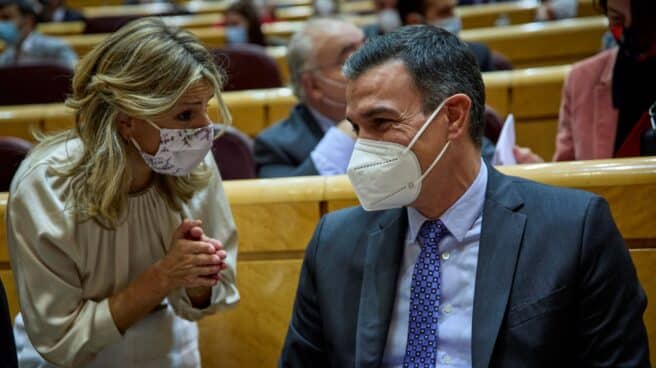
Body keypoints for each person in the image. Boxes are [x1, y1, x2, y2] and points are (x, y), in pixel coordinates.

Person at [279, 25, 649, 367]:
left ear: (453, 117)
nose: (363, 148)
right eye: (357, 127)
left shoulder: (573, 230)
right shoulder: (335, 242)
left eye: (382, 123)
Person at [7, 17, 239, 367]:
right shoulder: (46, 186)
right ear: (126, 119)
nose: (205, 129)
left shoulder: (194, 163)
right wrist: (163, 277)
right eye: (185, 114)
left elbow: (212, 297)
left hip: (168, 348)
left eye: (205, 108)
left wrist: (198, 277)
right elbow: (59, 340)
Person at [254, 18, 363, 178]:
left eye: (368, 52)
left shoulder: (403, 118)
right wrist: (344, 137)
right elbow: (288, 201)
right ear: (313, 85)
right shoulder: (275, 146)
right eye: (350, 60)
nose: (371, 67)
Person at [553, 0, 656, 160]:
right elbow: (564, 171)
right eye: (617, 19)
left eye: (641, 21)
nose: (629, 29)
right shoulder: (581, 80)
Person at [397, 0, 499, 72]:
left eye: (453, 9)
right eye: (444, 12)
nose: (454, 18)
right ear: (414, 21)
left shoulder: (479, 55)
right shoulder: (395, 68)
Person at [0, 0, 77, 68]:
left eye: (6, 17)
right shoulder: (6, 58)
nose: (1, 24)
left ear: (28, 20)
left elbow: (76, 78)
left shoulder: (57, 48)